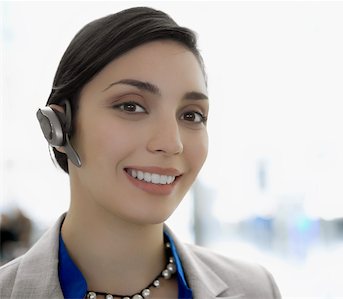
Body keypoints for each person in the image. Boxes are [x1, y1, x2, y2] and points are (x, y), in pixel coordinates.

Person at [0, 6, 281, 299]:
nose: (172, 143)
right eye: (130, 106)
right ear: (57, 127)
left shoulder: (256, 288)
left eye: (191, 115)